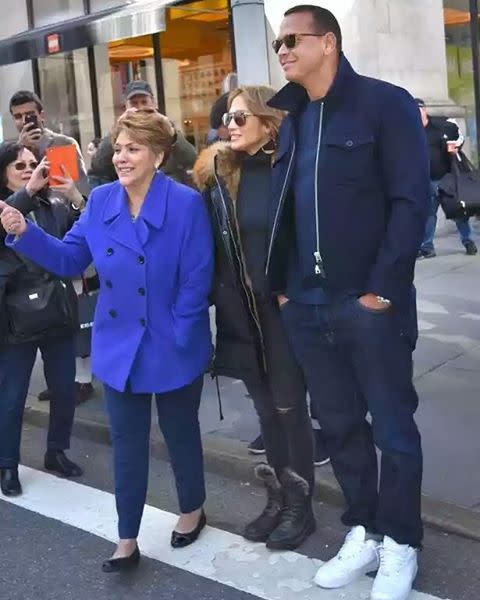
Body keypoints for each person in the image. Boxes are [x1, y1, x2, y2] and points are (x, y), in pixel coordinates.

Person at [1, 109, 213, 571]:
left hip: (173, 337)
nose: (120, 156)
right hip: (120, 342)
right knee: (127, 441)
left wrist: (181, 330)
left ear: (158, 155)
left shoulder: (185, 204)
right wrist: (24, 232)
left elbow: (198, 277)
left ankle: (193, 508)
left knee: (180, 434)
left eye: (132, 148)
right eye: (117, 147)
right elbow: (70, 257)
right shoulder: (100, 203)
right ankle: (127, 537)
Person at [266, 5, 429, 600]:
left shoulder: (385, 104)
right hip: (305, 306)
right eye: (277, 42)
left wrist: (381, 290)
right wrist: (284, 289)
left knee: (392, 429)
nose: (281, 50)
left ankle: (402, 541)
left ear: (327, 43)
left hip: (368, 305)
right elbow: (285, 209)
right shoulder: (293, 119)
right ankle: (364, 527)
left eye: (292, 39)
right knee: (339, 429)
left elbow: (413, 201)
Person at [194, 85, 325, 550]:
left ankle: (300, 508)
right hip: (240, 314)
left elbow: (309, 235)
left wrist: (295, 292)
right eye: (227, 117)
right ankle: (278, 498)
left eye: (240, 117)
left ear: (269, 123)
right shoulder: (219, 176)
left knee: (290, 411)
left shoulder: (287, 170)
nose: (228, 125)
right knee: (266, 412)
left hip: (282, 312)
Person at [0, 141, 84, 498]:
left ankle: (57, 451)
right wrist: (26, 192)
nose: (29, 169)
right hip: (14, 315)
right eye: (19, 165)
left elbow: (83, 238)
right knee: (13, 394)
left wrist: (77, 197)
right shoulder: (13, 203)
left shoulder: (53, 202)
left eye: (33, 163)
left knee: (65, 387)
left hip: (58, 310)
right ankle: (7, 464)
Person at [89, 80, 197, 186]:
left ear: (154, 104)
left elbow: (192, 159)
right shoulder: (121, 131)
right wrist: (118, 127)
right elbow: (98, 167)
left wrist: (171, 131)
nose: (140, 108)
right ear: (126, 106)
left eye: (144, 102)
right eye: (134, 103)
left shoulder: (166, 129)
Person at [416, 98, 477, 258]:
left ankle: (468, 241)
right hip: (426, 179)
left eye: (419, 109)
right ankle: (427, 247)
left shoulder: (439, 126)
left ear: (425, 111)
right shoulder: (411, 131)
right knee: (429, 214)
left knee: (458, 212)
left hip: (446, 178)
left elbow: (458, 136)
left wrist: (455, 147)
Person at [10, 90, 89, 198]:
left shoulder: (63, 144)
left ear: (41, 115)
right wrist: (22, 149)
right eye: (18, 116)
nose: (24, 121)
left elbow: (81, 188)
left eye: (29, 115)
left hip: (63, 211)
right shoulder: (11, 152)